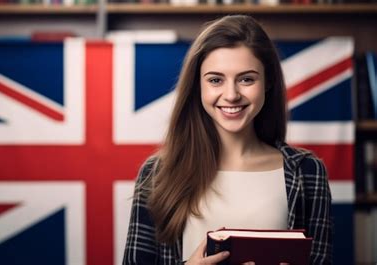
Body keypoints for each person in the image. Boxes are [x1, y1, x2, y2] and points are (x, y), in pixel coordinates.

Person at [122, 14, 332, 265]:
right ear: (197, 86)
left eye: (246, 79)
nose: (231, 95)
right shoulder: (157, 174)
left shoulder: (307, 172)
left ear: (268, 82)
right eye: (215, 80)